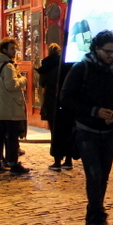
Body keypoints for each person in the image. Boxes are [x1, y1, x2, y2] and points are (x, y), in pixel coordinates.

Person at [61, 30, 113, 225]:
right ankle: (99, 220)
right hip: (87, 132)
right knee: (94, 176)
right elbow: (66, 97)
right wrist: (94, 111)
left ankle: (92, 220)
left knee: (102, 177)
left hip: (110, 133)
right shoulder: (81, 69)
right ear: (96, 49)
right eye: (108, 51)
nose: (112, 55)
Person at [0, 38, 30, 175]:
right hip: (10, 106)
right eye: (12, 49)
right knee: (12, 136)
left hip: (1, 105)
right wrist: (23, 79)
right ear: (5, 50)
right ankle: (13, 163)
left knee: (0, 134)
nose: (14, 51)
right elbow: (11, 85)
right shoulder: (7, 66)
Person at [38, 43, 73, 171]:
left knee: (55, 133)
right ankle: (68, 160)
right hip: (65, 102)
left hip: (51, 102)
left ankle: (57, 160)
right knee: (67, 131)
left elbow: (42, 84)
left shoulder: (46, 66)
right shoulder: (66, 65)